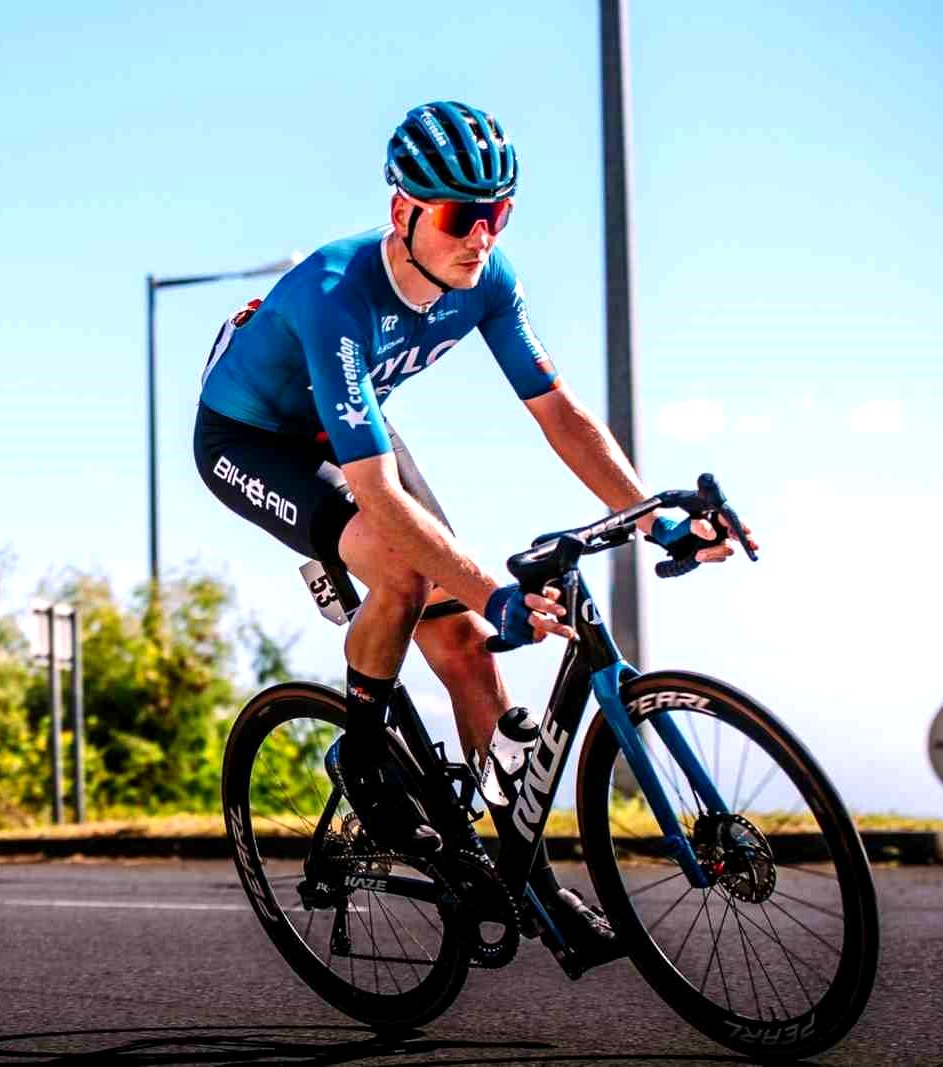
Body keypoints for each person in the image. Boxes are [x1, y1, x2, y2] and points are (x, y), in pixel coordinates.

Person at [195, 101, 756, 969]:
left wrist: (656, 516)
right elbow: (376, 492)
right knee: (407, 574)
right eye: (463, 216)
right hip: (251, 439)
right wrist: (493, 586)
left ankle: (525, 879)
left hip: (349, 434)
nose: (481, 236)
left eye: (500, 212)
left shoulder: (488, 281)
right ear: (404, 213)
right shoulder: (334, 290)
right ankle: (366, 760)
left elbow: (561, 414)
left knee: (466, 644)